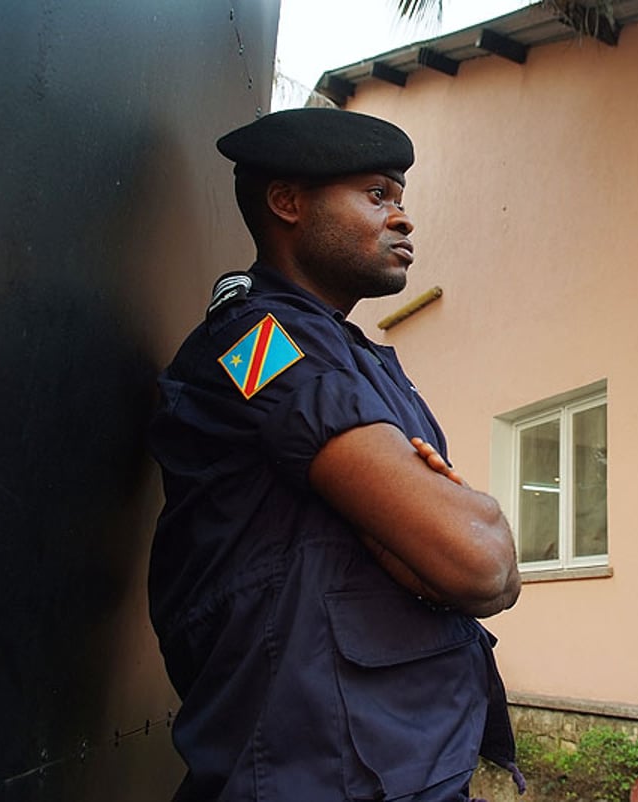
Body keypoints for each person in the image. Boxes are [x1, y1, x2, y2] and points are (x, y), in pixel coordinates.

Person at [147, 107, 525, 801]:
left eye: (402, 199)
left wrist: (439, 535)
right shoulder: (253, 344)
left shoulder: (356, 357)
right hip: (318, 769)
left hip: (401, 755)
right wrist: (441, 532)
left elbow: (494, 568)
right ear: (288, 204)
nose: (404, 218)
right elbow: (477, 557)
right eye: (378, 195)